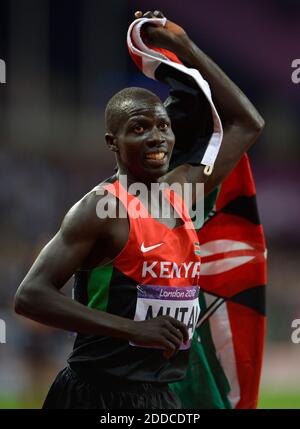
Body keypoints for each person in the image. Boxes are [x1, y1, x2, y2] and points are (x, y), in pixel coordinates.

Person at [14, 10, 264, 409]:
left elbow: (247, 124)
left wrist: (184, 46)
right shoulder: (101, 209)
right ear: (113, 142)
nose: (156, 137)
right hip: (96, 392)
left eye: (162, 125)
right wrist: (133, 328)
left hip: (161, 393)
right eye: (139, 128)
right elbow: (30, 296)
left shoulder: (182, 191)